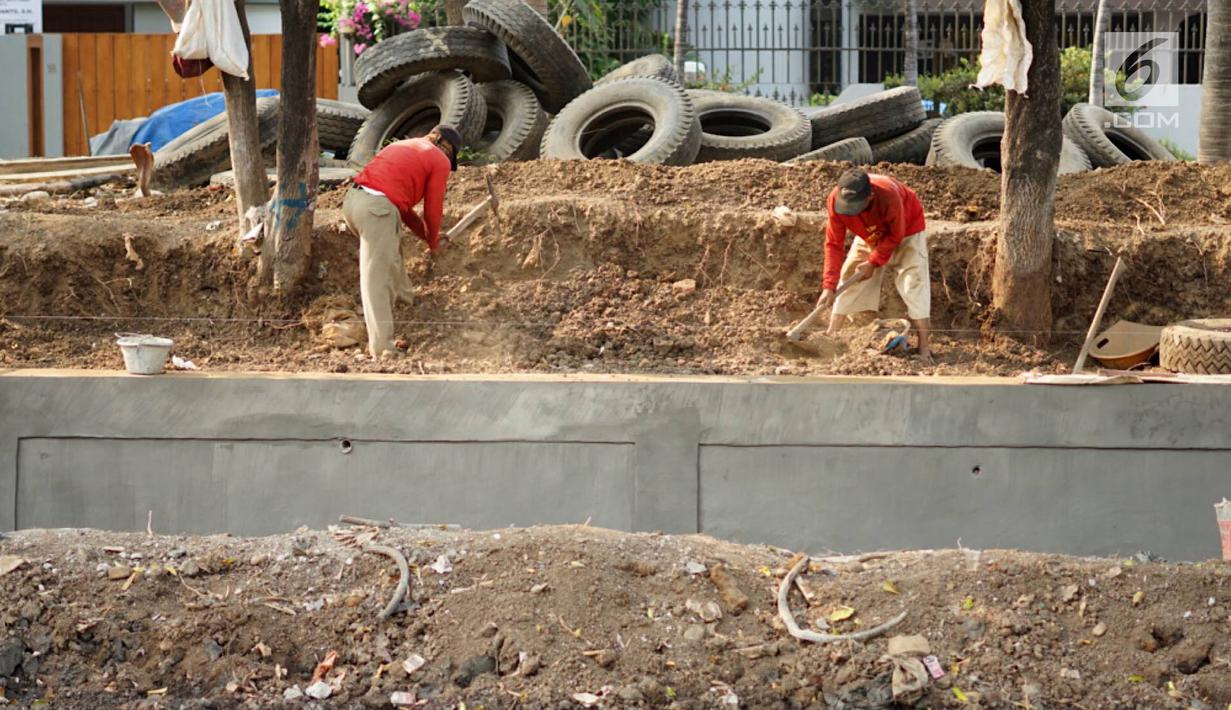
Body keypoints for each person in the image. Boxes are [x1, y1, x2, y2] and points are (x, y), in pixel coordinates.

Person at [343, 126, 461, 358]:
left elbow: (403, 209)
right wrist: (434, 245)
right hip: (378, 209)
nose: (448, 160)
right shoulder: (439, 158)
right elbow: (433, 209)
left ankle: (409, 307)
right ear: (443, 144)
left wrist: (429, 237)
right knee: (378, 279)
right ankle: (382, 349)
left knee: (392, 260)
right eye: (450, 154)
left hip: (355, 203)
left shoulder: (402, 146)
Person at [816, 168, 933, 361]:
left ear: (869, 196)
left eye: (855, 206)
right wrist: (828, 286)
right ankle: (831, 335)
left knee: (913, 283)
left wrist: (874, 261)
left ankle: (924, 350)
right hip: (869, 233)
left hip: (907, 231)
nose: (849, 209)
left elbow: (896, 234)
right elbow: (833, 243)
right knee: (848, 277)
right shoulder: (835, 200)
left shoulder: (888, 195)